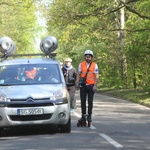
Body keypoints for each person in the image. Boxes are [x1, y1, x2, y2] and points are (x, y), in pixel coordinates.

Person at [76, 50, 99, 124]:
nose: (88, 58)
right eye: (86, 57)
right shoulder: (81, 64)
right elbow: (79, 74)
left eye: (89, 57)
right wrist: (77, 83)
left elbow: (96, 76)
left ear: (91, 57)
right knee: (83, 101)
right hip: (83, 86)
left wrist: (95, 85)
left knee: (90, 101)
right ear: (85, 57)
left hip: (91, 86)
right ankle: (83, 115)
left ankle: (89, 115)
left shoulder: (95, 65)